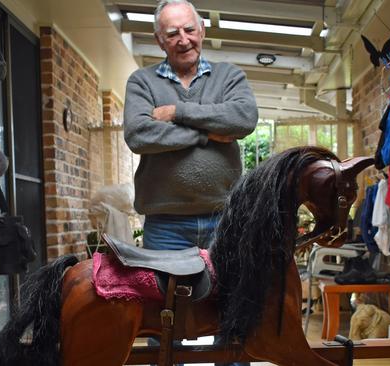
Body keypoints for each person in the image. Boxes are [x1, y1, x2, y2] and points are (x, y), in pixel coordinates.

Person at [123, 1, 257, 365]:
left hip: (225, 220)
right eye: (172, 33)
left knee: (234, 315)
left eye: (189, 30)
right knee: (166, 322)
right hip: (166, 226)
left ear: (202, 31)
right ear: (159, 40)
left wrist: (177, 113)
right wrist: (207, 135)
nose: (183, 40)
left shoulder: (229, 77)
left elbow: (243, 119)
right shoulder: (143, 82)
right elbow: (139, 134)